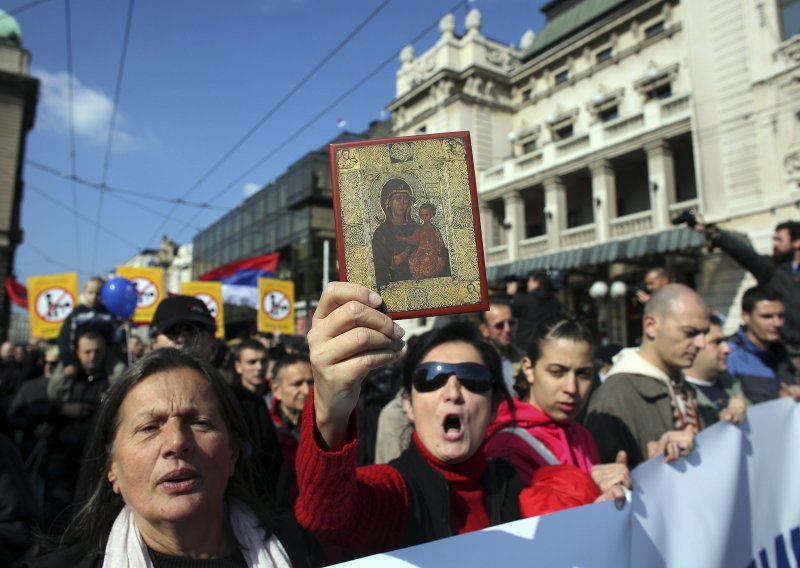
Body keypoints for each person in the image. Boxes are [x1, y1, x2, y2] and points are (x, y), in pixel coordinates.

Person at [295, 283, 620, 562]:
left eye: (473, 378)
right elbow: (327, 516)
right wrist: (330, 402)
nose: (452, 392)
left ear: (495, 408)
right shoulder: (395, 492)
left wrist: (601, 505)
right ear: (407, 403)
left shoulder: (514, 483)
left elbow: (563, 530)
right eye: (430, 378)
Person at [21, 348, 321, 567]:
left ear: (233, 451)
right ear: (112, 467)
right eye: (149, 427)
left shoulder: (300, 550)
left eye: (199, 422)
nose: (176, 442)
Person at [148, 296, 285, 510]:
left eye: (194, 331)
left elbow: (273, 481)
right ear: (153, 343)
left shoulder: (249, 406)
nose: (184, 339)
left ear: (212, 342)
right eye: (174, 332)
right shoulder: (126, 406)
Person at [485, 316, 631, 492]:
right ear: (529, 370)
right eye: (557, 372)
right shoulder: (508, 447)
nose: (571, 388)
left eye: (583, 374)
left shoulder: (582, 435)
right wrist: (591, 489)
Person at [584, 284, 705, 468]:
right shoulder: (614, 397)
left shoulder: (684, 386)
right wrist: (653, 466)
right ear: (650, 326)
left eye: (704, 333)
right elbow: (608, 483)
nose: (701, 343)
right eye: (690, 333)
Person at [691, 214, 800, 361]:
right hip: (788, 354)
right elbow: (741, 250)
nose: (774, 243)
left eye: (779, 239)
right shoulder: (770, 270)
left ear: (797, 243)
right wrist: (709, 231)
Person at [725, 285, 799, 404]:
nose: (777, 323)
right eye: (767, 316)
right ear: (745, 316)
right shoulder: (729, 354)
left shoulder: (782, 352)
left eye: (781, 316)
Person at [684, 314, 747, 427]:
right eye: (717, 342)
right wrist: (720, 426)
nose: (727, 349)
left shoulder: (731, 384)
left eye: (725, 341)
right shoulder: (681, 395)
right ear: (695, 345)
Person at [268, 354, 313, 505]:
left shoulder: (326, 423)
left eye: (310, 382)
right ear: (276, 389)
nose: (306, 391)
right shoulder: (265, 429)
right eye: (297, 384)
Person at [55, 277, 118, 377]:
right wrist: (68, 361)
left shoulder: (108, 314)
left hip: (104, 356)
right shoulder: (76, 314)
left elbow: (115, 335)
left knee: (119, 371)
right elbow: (64, 338)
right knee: (58, 380)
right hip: (76, 356)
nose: (94, 297)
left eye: (98, 294)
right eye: (90, 293)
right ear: (84, 292)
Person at [372, 178, 420, 289]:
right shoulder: (381, 233)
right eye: (398, 198)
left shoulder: (417, 228)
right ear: (388, 202)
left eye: (405, 199)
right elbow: (379, 268)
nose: (402, 203)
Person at [478, 296, 527, 392]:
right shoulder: (475, 362)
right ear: (485, 330)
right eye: (499, 325)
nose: (507, 329)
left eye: (511, 323)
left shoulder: (523, 360)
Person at [512, 270, 564, 352]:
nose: (527, 284)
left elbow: (510, 314)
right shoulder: (556, 302)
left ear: (537, 282)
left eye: (530, 281)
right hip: (548, 346)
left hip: (524, 347)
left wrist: (511, 296)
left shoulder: (523, 300)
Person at [399, 202, 449, 280]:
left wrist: (438, 250)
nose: (425, 217)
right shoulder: (420, 229)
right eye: (422, 215)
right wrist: (404, 239)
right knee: (413, 258)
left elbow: (439, 240)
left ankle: (424, 275)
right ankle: (416, 275)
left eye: (427, 215)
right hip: (420, 250)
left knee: (427, 260)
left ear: (432, 215)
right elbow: (414, 239)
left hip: (431, 251)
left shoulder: (434, 229)